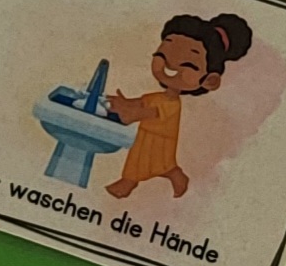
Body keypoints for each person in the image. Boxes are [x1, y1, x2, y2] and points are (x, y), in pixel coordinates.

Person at [104, 11, 253, 200]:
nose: (171, 64)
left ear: (209, 80)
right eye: (163, 53)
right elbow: (142, 102)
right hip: (148, 138)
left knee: (148, 162)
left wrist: (130, 114)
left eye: (189, 63)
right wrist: (124, 103)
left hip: (159, 139)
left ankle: (128, 182)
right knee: (151, 162)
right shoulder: (160, 97)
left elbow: (149, 112)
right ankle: (173, 175)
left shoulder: (172, 104)